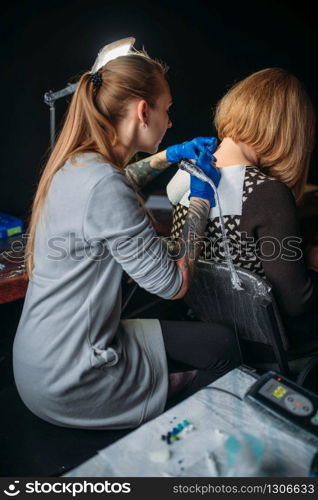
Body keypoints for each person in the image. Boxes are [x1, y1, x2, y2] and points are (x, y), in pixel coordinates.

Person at [13, 50, 240, 430]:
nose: (170, 121)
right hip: (70, 376)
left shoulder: (77, 164)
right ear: (142, 111)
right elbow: (174, 284)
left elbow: (122, 181)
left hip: (41, 356)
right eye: (166, 109)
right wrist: (201, 197)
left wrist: (171, 154)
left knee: (217, 342)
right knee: (223, 353)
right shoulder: (103, 183)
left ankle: (163, 391)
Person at [167, 68, 318, 358]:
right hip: (265, 344)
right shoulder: (266, 191)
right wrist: (312, 266)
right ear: (289, 133)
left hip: (210, 330)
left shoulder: (185, 174)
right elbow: (296, 302)